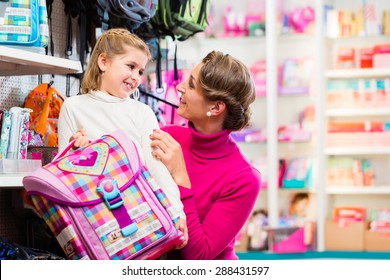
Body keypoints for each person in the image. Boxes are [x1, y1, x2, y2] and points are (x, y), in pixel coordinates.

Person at [57, 28, 187, 247]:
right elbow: (62, 172)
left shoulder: (142, 112)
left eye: (140, 71)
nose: (136, 77)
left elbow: (157, 168)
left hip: (141, 215)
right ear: (104, 62)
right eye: (130, 66)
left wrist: (176, 211)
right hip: (96, 219)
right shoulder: (72, 107)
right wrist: (76, 153)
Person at [149, 50, 262, 259]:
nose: (179, 86)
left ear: (216, 107)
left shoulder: (244, 178)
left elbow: (198, 256)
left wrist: (181, 177)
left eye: (191, 84)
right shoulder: (168, 137)